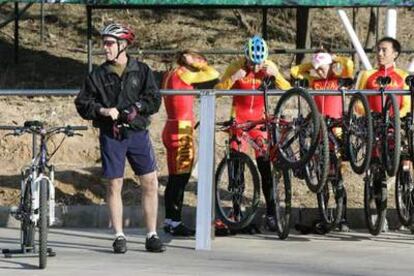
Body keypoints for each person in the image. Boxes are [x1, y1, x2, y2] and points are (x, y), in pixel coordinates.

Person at [75, 23, 165, 253]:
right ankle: (118, 235)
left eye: (110, 43)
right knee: (114, 184)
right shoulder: (97, 74)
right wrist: (103, 111)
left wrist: (138, 106)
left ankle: (152, 234)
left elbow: (154, 99)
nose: (105, 47)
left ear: (123, 45)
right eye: (104, 43)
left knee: (150, 182)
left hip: (137, 133)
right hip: (112, 134)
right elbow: (83, 103)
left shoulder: (142, 70)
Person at [215, 35, 291, 231]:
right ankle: (236, 211)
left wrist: (276, 75)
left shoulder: (268, 66)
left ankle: (272, 213)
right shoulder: (236, 66)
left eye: (259, 63)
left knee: (265, 168)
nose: (256, 68)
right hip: (238, 122)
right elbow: (217, 91)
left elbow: (289, 90)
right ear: (245, 56)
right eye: (252, 62)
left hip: (259, 123)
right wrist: (233, 78)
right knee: (236, 169)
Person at [291, 49, 354, 232]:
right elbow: (296, 71)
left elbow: (349, 65)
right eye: (316, 69)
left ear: (331, 66)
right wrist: (313, 64)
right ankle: (324, 215)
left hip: (337, 130)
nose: (319, 72)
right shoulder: (314, 81)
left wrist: (335, 59)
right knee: (322, 176)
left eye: (322, 68)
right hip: (319, 131)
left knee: (337, 176)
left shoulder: (339, 79)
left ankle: (342, 217)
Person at [161, 50, 219, 236]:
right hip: (182, 130)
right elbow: (214, 74)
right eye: (197, 58)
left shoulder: (171, 73)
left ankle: (170, 220)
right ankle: (176, 222)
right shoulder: (185, 74)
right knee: (181, 179)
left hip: (170, 126)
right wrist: (200, 65)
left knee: (173, 179)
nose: (201, 61)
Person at [356, 37, 410, 232]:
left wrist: (396, 118)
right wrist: (369, 115)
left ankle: (408, 210)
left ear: (395, 53)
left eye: (384, 50)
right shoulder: (367, 75)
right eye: (378, 50)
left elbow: (407, 104)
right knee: (376, 168)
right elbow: (358, 102)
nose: (379, 54)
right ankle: (379, 212)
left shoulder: (403, 76)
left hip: (396, 126)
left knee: (405, 163)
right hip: (374, 126)